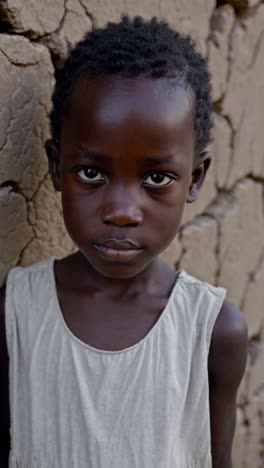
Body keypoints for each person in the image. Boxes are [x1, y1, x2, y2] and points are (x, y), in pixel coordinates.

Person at [0, 16, 248, 468]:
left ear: (195, 179)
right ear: (56, 167)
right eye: (91, 173)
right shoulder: (17, 311)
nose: (121, 211)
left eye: (157, 178)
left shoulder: (212, 332)